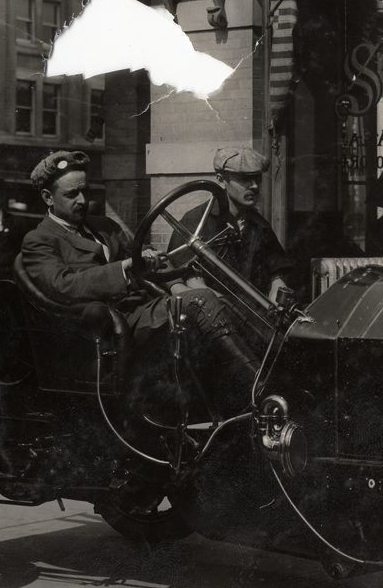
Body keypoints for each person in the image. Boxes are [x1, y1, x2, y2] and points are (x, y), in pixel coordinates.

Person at [21, 150, 258, 416]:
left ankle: (248, 388)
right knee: (201, 302)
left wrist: (178, 287)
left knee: (214, 300)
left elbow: (144, 253)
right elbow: (64, 286)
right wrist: (124, 268)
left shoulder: (104, 226)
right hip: (103, 329)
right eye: (71, 195)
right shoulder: (39, 240)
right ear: (47, 198)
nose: (82, 200)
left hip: (139, 314)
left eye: (84, 191)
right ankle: (258, 389)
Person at [175, 147, 293, 303]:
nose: (255, 186)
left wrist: (277, 291)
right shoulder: (195, 222)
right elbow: (193, 282)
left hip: (255, 315)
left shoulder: (259, 224)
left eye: (257, 178)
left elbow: (276, 271)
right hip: (212, 314)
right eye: (245, 179)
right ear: (221, 180)